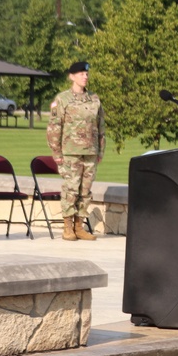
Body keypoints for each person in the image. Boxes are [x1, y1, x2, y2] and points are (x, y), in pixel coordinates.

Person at [46, 61, 106, 241]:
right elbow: (54, 127)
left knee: (85, 191)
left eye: (86, 74)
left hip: (90, 152)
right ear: (71, 76)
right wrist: (56, 152)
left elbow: (100, 126)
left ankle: (79, 226)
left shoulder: (94, 99)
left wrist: (100, 151)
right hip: (70, 152)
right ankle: (67, 227)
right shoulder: (63, 99)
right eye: (81, 74)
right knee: (71, 189)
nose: (85, 76)